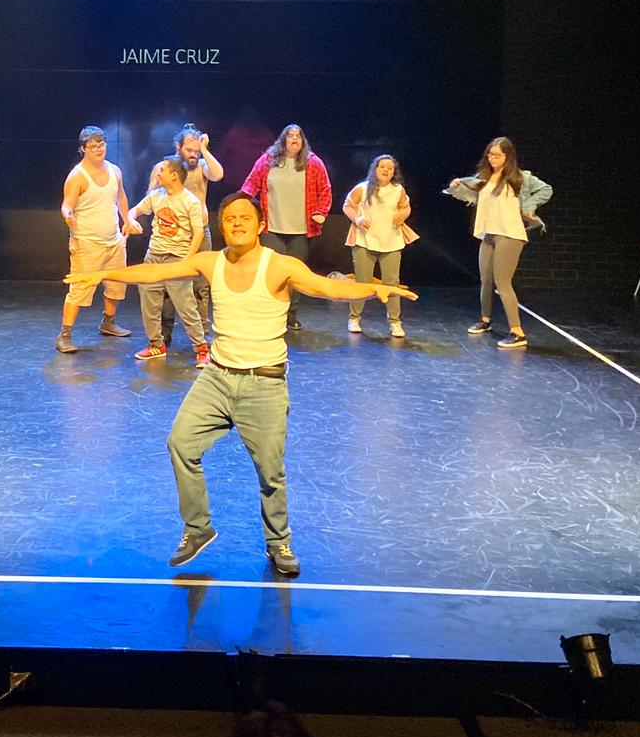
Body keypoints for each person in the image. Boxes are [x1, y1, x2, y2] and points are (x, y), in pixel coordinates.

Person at [65, 192, 417, 576]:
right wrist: (103, 274)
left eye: (244, 218)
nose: (236, 223)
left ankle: (279, 541)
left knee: (270, 471)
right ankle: (198, 528)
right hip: (216, 378)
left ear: (260, 225)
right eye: (229, 218)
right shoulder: (209, 262)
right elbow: (155, 272)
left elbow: (327, 288)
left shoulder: (280, 266)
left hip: (264, 384)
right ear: (222, 226)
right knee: (180, 444)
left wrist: (374, 289)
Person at [445, 136, 553, 350]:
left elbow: (546, 189)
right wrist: (457, 186)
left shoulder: (520, 177)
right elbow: (471, 194)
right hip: (489, 233)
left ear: (507, 156)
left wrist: (529, 206)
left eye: (497, 155)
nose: (492, 158)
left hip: (509, 233)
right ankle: (485, 320)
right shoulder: (484, 177)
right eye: (490, 154)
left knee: (503, 283)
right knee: (486, 279)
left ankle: (517, 332)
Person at [239, 124, 332, 331]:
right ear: (283, 140)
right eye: (290, 136)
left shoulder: (313, 163)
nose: (294, 139)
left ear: (303, 141)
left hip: (301, 229)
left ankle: (291, 314)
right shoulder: (268, 160)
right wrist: (241, 204)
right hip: (272, 227)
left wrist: (321, 212)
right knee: (271, 272)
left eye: (298, 136)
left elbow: (325, 190)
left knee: (294, 274)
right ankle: (271, 313)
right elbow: (251, 184)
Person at [57, 125, 141, 354]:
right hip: (87, 242)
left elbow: (121, 196)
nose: (98, 149)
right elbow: (67, 204)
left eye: (101, 145)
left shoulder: (114, 170)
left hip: (113, 239)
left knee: (116, 284)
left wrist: (127, 220)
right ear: (83, 149)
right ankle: (64, 335)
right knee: (81, 287)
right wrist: (68, 215)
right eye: (93, 147)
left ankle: (108, 322)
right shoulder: (77, 176)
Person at [129, 157, 209, 365]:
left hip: (177, 259)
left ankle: (201, 348)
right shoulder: (156, 196)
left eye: (162, 170)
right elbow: (134, 211)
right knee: (149, 304)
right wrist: (130, 220)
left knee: (186, 306)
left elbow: (198, 232)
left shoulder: (190, 201)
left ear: (174, 175)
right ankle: (156, 344)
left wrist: (187, 260)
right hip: (153, 257)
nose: (158, 173)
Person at [148, 124, 224, 340]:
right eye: (189, 150)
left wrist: (206, 151)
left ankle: (202, 334)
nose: (193, 155)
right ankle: (165, 332)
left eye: (196, 151)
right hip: (171, 236)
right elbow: (151, 197)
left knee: (201, 285)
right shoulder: (163, 168)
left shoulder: (201, 166)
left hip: (199, 233)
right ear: (177, 146)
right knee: (169, 285)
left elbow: (218, 175)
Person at [342, 153, 418, 339]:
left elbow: (406, 207)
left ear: (394, 172)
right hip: (365, 241)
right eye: (382, 166)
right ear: (375, 169)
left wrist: (403, 215)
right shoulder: (362, 188)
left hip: (391, 241)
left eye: (390, 168)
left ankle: (394, 322)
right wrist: (358, 219)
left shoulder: (398, 190)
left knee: (392, 282)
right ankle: (354, 318)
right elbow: (348, 206)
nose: (386, 170)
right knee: (362, 281)